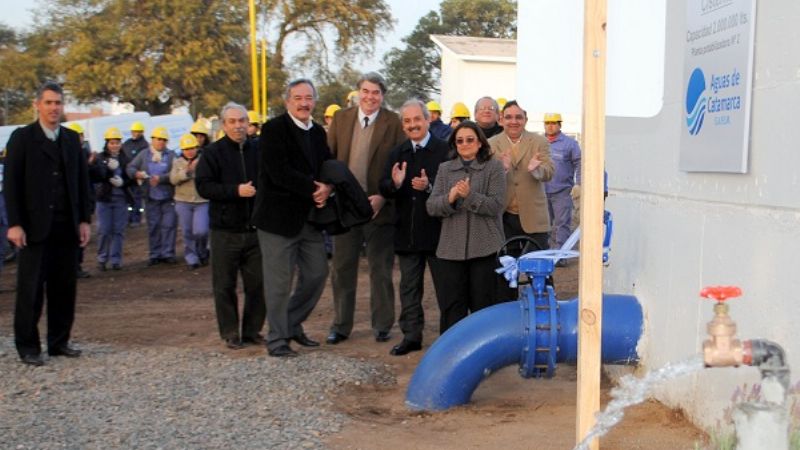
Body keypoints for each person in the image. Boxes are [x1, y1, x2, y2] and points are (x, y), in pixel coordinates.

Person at [5, 81, 92, 366]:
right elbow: (12, 184)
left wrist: (84, 219)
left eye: (58, 103)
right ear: (37, 105)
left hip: (66, 226)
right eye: (49, 103)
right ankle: (28, 346)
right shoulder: (22, 138)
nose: (54, 108)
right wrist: (15, 223)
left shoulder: (70, 139)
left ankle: (59, 342)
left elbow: (82, 183)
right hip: (33, 227)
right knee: (30, 289)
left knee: (64, 288)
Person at [253, 79, 333, 358]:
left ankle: (290, 324)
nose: (303, 103)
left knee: (317, 274)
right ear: (287, 101)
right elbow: (278, 172)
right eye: (298, 98)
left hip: (309, 219)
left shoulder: (318, 133)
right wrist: (314, 188)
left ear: (314, 101)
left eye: (308, 98)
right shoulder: (273, 129)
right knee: (278, 284)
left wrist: (328, 187)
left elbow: (326, 165)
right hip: (277, 221)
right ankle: (277, 340)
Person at [325, 72, 404, 345]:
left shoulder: (393, 122)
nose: (370, 97)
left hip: (379, 207)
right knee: (342, 269)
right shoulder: (341, 119)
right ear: (358, 92)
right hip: (346, 207)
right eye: (366, 91)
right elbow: (329, 158)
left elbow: (399, 164)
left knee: (380, 269)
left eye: (376, 93)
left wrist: (384, 196)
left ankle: (382, 325)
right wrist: (329, 188)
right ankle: (340, 325)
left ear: (383, 96)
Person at [378, 99, 449, 355]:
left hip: (439, 234)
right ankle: (411, 336)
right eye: (407, 121)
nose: (412, 125)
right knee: (409, 288)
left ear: (428, 120)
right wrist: (395, 184)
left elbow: (454, 187)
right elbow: (383, 186)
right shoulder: (397, 153)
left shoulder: (445, 150)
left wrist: (430, 186)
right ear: (403, 126)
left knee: (446, 289)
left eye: (417, 119)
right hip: (407, 235)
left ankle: (449, 339)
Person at [195, 102, 266, 350]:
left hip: (256, 231)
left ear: (248, 123)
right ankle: (230, 332)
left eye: (242, 121)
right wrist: (235, 191)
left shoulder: (259, 150)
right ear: (224, 125)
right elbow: (203, 186)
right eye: (233, 122)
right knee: (224, 285)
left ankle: (252, 331)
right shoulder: (212, 153)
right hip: (225, 231)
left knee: (258, 285)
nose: (238, 126)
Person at [426, 121, 506, 333]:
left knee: (483, 307)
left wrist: (469, 196)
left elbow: (496, 205)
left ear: (480, 143)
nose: (464, 144)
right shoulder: (445, 169)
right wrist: (450, 198)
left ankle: (484, 348)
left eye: (470, 139)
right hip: (450, 250)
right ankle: (453, 349)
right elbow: (432, 206)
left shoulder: (494, 167)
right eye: (459, 141)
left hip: (485, 249)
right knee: (452, 307)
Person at [489, 101, 554, 298]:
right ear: (501, 120)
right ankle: (507, 309)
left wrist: (536, 169)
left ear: (525, 120)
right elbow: (486, 178)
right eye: (509, 117)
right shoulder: (491, 144)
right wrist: (502, 169)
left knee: (540, 270)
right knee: (504, 272)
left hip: (534, 217)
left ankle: (543, 307)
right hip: (504, 217)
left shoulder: (539, 142)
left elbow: (549, 172)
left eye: (518, 117)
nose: (514, 121)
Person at [127, 126, 177, 265]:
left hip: (168, 197)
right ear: (152, 140)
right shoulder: (144, 155)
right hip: (150, 197)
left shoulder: (171, 155)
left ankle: (168, 253)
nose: (160, 142)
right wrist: (136, 173)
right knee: (154, 226)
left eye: (163, 140)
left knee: (169, 225)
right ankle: (155, 254)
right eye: (158, 139)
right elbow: (130, 167)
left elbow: (176, 172)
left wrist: (161, 178)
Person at [92, 127, 133, 271]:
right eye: (112, 143)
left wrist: (123, 183)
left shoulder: (125, 159)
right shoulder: (100, 158)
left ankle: (116, 260)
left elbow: (130, 177)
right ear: (107, 143)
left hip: (121, 199)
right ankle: (102, 258)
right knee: (104, 230)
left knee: (118, 230)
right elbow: (98, 176)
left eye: (117, 143)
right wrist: (108, 169)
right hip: (104, 199)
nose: (115, 145)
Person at [542, 113, 581, 260]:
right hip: (541, 192)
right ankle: (544, 255)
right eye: (547, 123)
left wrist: (579, 183)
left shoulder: (570, 144)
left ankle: (560, 257)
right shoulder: (539, 142)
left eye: (553, 123)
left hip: (562, 192)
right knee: (543, 225)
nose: (550, 126)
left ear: (560, 125)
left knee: (562, 225)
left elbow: (579, 162)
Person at [170, 134, 209, 270]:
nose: (189, 151)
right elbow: (173, 180)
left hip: (201, 200)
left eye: (192, 148)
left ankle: (202, 251)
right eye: (186, 149)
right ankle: (191, 257)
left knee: (201, 231)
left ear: (196, 148)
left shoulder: (204, 160)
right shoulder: (177, 162)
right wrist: (186, 172)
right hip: (183, 201)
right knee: (187, 231)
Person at [122, 121, 149, 227]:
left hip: (138, 176)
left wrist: (140, 174)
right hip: (128, 176)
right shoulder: (127, 143)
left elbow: (144, 161)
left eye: (138, 131)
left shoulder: (144, 145)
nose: (135, 133)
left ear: (142, 132)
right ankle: (129, 218)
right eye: (134, 131)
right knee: (128, 198)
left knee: (137, 198)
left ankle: (136, 218)